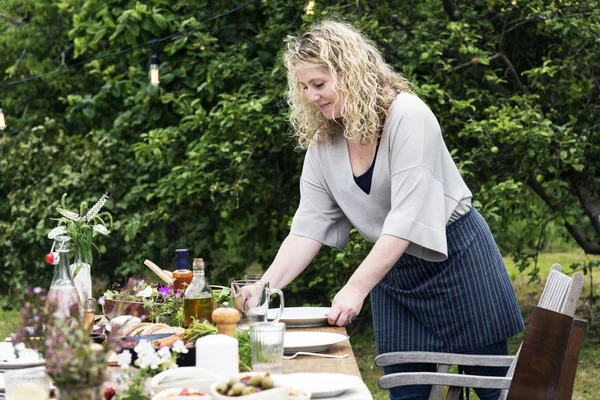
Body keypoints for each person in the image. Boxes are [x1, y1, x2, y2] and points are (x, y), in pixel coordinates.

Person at [260, 20, 524, 400]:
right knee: (405, 392)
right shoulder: (324, 141)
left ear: (350, 72)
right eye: (304, 87)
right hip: (394, 273)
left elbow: (406, 219)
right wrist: (264, 288)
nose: (311, 96)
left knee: (492, 390)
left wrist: (354, 287)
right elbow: (307, 226)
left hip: (458, 260)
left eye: (319, 84)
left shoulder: (408, 115)